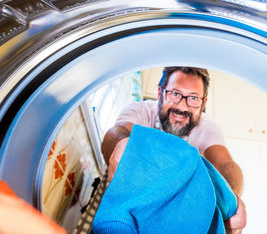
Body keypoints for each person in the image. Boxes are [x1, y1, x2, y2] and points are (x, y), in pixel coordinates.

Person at [101, 66, 247, 233]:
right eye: (175, 94)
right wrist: (122, 144)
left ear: (203, 103)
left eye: (193, 98)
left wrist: (228, 200)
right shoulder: (140, 110)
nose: (182, 107)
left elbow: (226, 165)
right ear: (160, 93)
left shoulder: (208, 127)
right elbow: (116, 133)